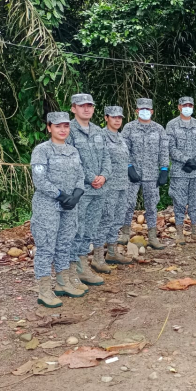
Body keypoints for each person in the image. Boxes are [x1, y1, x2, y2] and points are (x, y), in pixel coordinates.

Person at [30, 112, 86, 307]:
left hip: (70, 204)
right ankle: (44, 290)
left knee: (65, 243)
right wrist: (61, 196)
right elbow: (39, 180)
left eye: (66, 126)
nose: (63, 130)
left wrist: (77, 194)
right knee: (46, 246)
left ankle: (63, 282)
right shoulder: (42, 150)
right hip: (48, 205)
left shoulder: (73, 151)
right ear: (49, 127)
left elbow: (80, 175)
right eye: (58, 126)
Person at [66, 93, 110, 288]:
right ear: (73, 108)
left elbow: (107, 157)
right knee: (77, 229)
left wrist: (104, 175)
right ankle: (71, 270)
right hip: (80, 191)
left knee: (90, 229)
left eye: (90, 105)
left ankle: (83, 266)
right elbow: (71, 160)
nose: (86, 109)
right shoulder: (69, 130)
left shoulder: (99, 131)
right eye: (82, 106)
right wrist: (91, 177)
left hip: (99, 190)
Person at [119, 98, 170, 250]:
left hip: (152, 174)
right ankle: (125, 233)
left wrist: (164, 170)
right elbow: (123, 150)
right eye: (142, 109)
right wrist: (128, 167)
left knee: (152, 206)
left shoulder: (159, 129)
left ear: (152, 111)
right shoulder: (129, 128)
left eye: (148, 109)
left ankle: (153, 237)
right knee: (128, 204)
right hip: (132, 173)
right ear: (136, 111)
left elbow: (163, 150)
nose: (145, 111)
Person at [93, 106, 133, 274]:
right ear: (106, 118)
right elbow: (98, 160)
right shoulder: (101, 136)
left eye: (120, 117)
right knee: (105, 219)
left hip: (123, 184)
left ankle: (112, 252)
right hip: (108, 185)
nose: (117, 120)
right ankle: (97, 257)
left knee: (117, 218)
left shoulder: (121, 137)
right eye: (114, 117)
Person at [166, 96, 196, 244]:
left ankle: (195, 231)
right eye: (185, 105)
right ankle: (179, 233)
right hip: (180, 171)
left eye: (190, 105)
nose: (187, 107)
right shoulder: (171, 125)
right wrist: (186, 160)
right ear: (179, 107)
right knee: (179, 201)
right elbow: (170, 147)